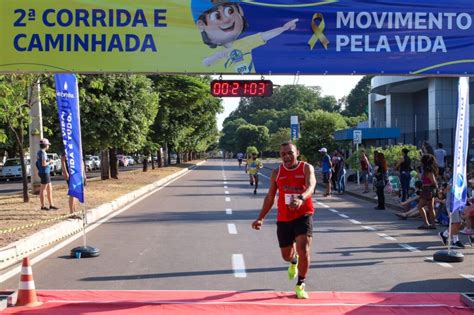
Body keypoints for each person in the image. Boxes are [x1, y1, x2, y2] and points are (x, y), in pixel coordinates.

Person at [251, 142, 316, 299]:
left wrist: (301, 198)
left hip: (303, 215)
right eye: (283, 154)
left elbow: (311, 185)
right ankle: (293, 261)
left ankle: (300, 284)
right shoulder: (277, 172)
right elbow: (270, 197)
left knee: (304, 249)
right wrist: (260, 218)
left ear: (297, 153)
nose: (287, 156)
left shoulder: (306, 168)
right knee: (286, 255)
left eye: (290, 153)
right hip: (284, 218)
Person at [192, 0, 298, 73]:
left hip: (250, 79)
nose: (226, 20)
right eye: (217, 16)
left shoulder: (244, 43)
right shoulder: (202, 49)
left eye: (229, 11)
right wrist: (217, 56)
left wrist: (284, 28)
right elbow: (204, 63)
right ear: (201, 25)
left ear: (240, 11)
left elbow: (265, 36)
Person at [417, 154, 439, 229]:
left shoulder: (428, 171)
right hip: (429, 190)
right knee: (430, 207)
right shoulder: (427, 170)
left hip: (427, 190)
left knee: (420, 206)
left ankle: (426, 223)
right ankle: (433, 224)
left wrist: (425, 185)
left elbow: (434, 182)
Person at [61, 153, 85, 219]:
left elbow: (81, 161)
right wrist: (65, 172)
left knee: (76, 193)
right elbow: (63, 161)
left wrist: (83, 173)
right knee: (72, 193)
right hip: (70, 174)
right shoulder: (67, 149)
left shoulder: (77, 148)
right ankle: (71, 212)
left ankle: (74, 211)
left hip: (77, 173)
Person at [36, 138, 58, 211]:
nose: (48, 146)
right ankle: (43, 206)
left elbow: (37, 163)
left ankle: (51, 204)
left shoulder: (39, 152)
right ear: (45, 145)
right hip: (44, 172)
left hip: (45, 172)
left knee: (49, 189)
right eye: (48, 145)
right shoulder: (43, 153)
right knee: (43, 189)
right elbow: (44, 163)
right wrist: (50, 162)